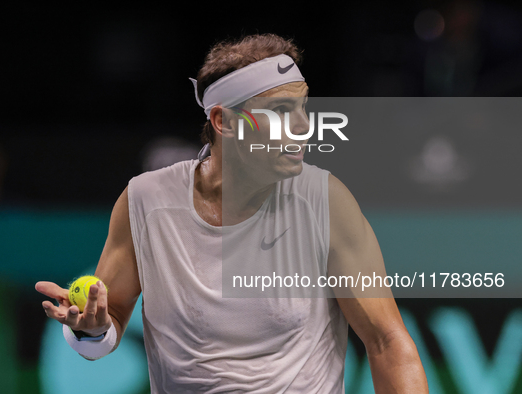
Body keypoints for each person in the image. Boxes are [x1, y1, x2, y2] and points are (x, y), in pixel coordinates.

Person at [36, 34, 428, 393]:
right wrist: (91, 330)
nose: (303, 127)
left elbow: (387, 341)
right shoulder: (145, 200)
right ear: (223, 122)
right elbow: (108, 321)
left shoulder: (325, 201)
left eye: (303, 108)